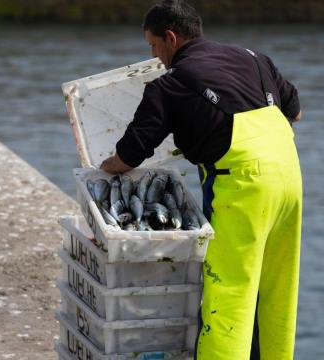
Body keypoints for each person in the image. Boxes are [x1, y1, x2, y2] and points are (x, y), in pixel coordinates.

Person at [100, 1, 303, 359]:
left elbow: (133, 151)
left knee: (228, 294)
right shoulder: (254, 57)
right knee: (278, 288)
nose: (154, 55)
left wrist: (107, 165)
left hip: (243, 185)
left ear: (171, 38)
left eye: (153, 45)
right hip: (289, 177)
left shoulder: (171, 83)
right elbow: (295, 111)